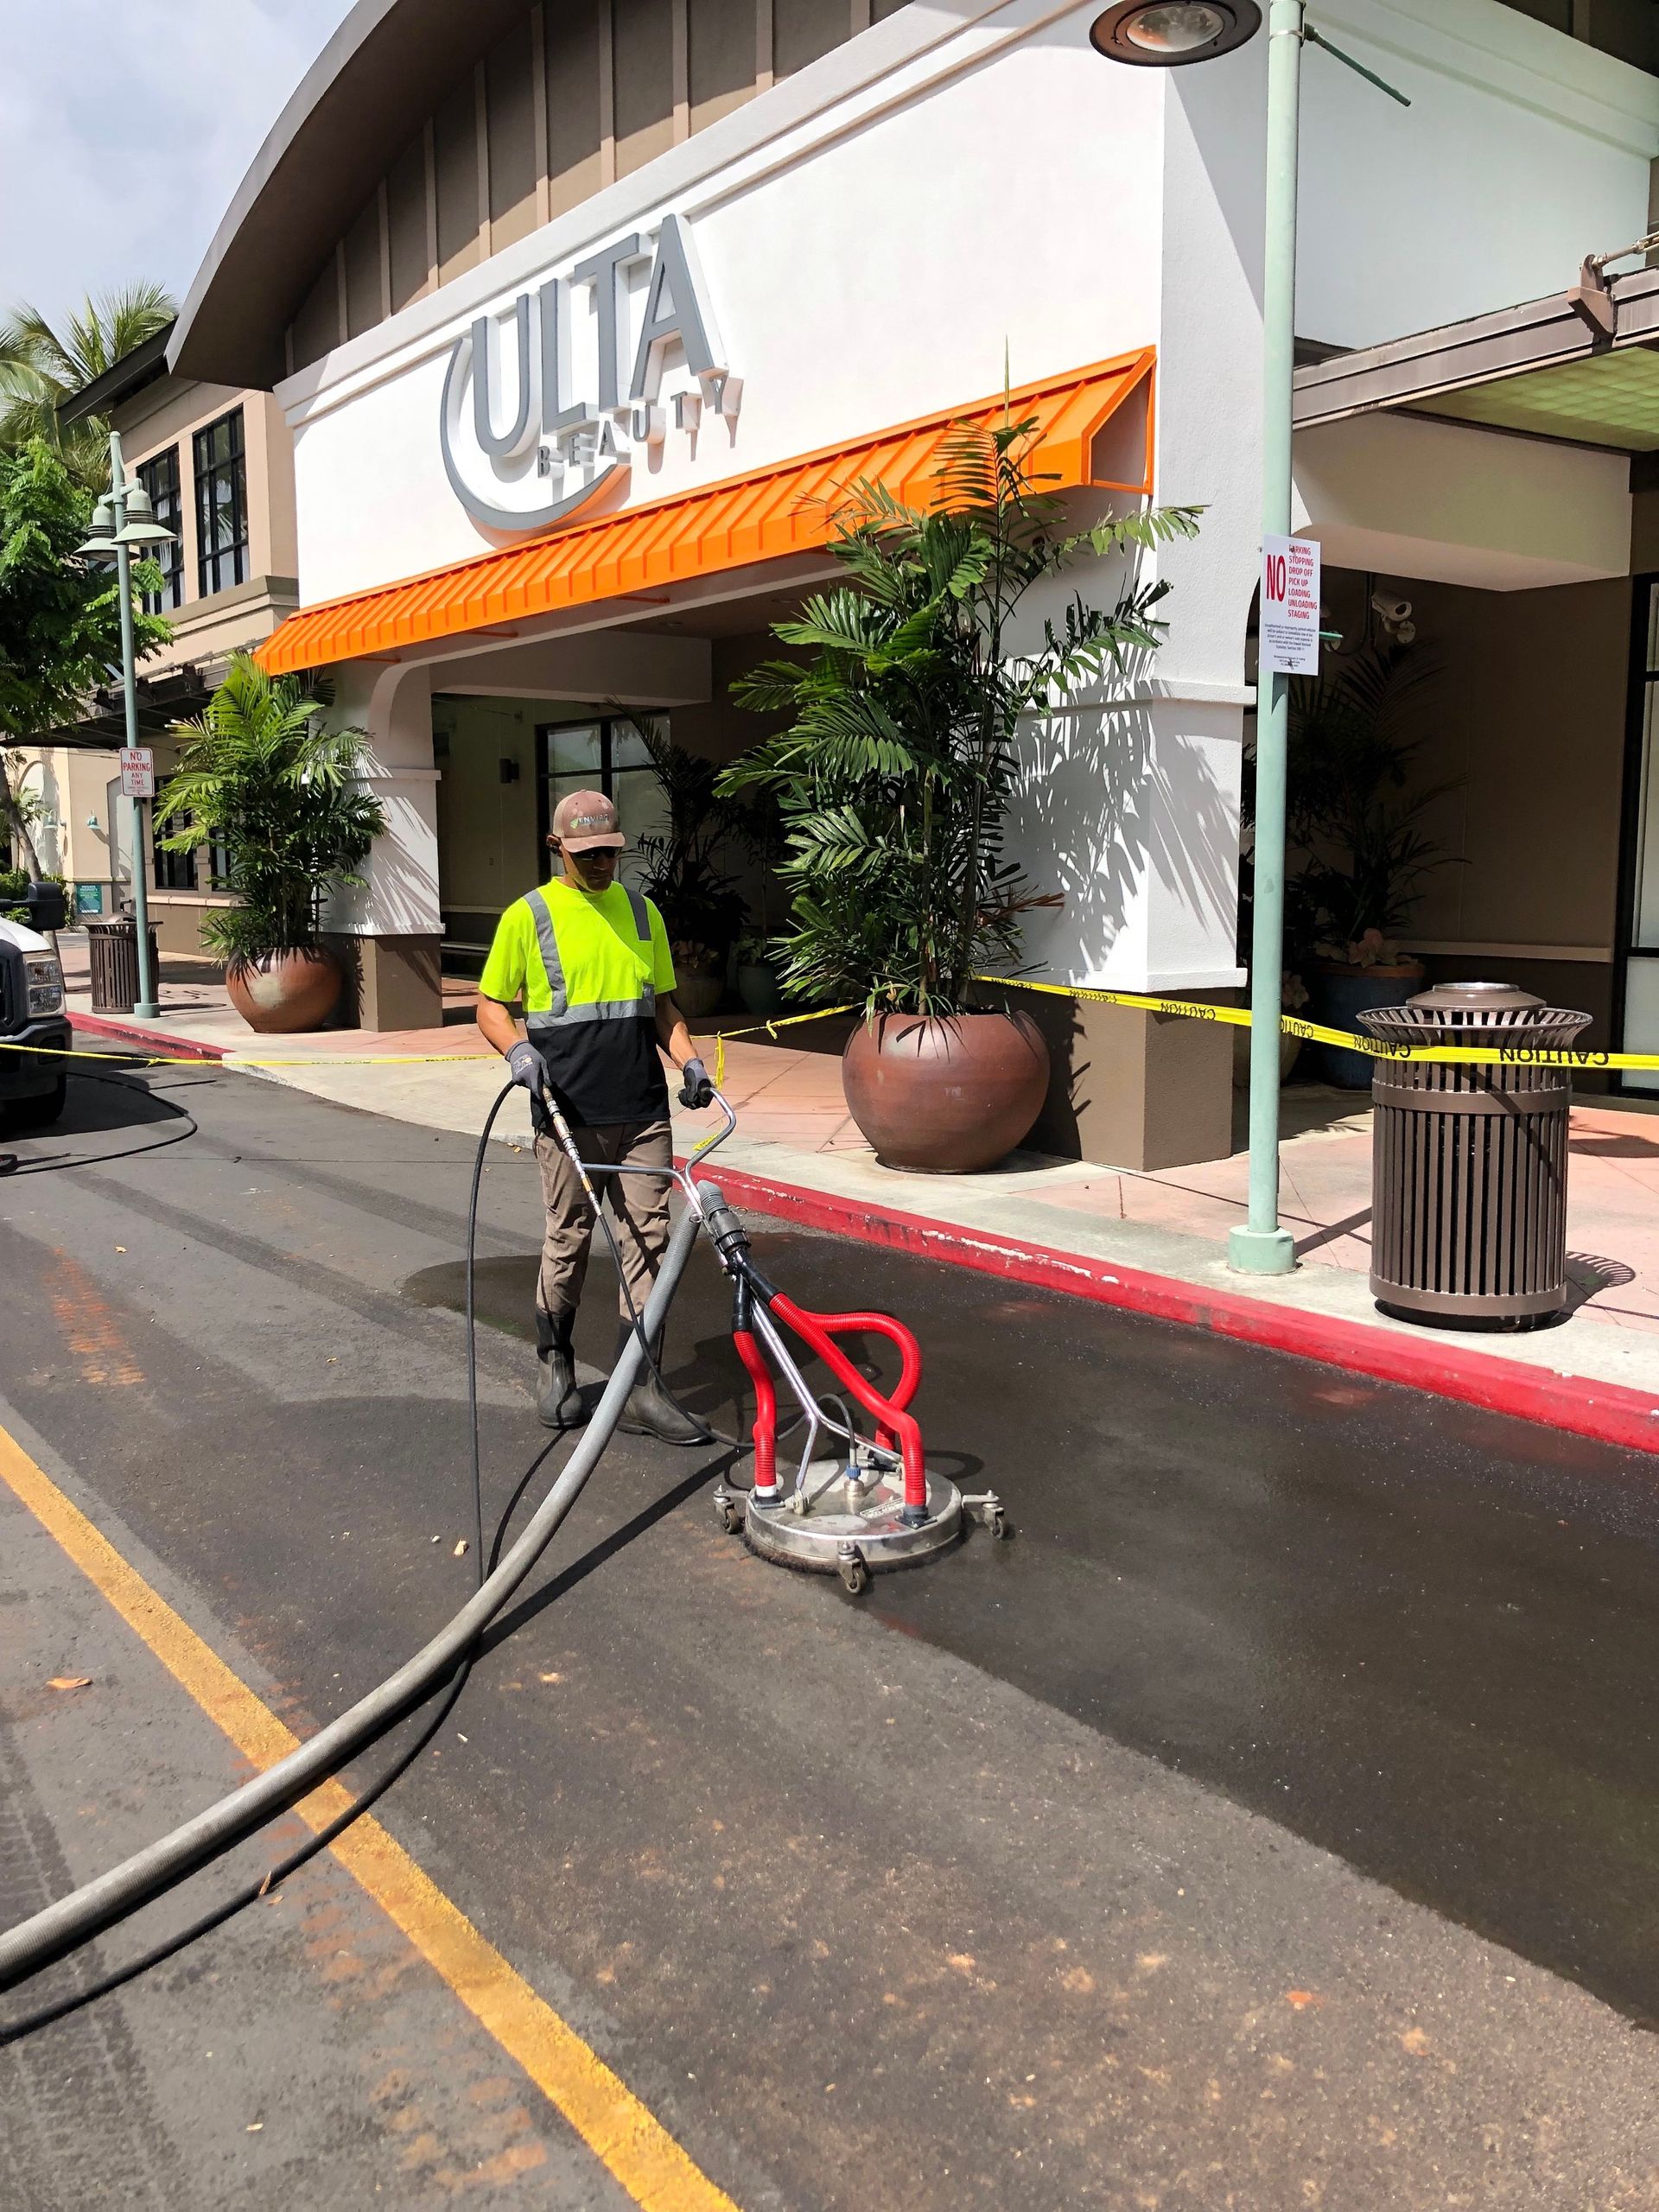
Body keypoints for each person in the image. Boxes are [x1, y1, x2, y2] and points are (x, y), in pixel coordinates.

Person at [475, 788, 715, 1442]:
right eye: (587, 854)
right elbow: (491, 1006)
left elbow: (663, 1008)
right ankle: (555, 1365)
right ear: (559, 849)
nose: (600, 863)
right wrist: (518, 1048)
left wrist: (690, 1062)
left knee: (648, 1243)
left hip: (641, 1110)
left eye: (609, 851)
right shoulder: (528, 916)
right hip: (566, 1110)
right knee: (570, 1238)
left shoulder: (642, 914)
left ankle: (641, 1385)